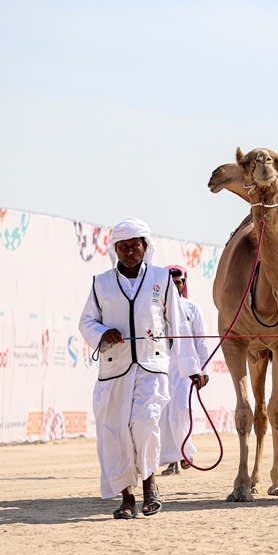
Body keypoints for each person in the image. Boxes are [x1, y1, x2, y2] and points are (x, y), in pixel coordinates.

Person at [78, 218, 208, 519]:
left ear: (145, 247)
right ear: (115, 249)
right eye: (122, 247)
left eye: (134, 246)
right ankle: (127, 498)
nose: (129, 252)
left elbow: (178, 325)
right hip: (114, 371)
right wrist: (102, 333)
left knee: (147, 424)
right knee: (114, 433)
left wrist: (192, 367)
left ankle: (150, 486)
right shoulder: (101, 283)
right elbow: (86, 321)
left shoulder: (162, 280)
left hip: (152, 367)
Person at [159, 265, 211, 476]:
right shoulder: (155, 310)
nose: (174, 286)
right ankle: (173, 459)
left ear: (183, 283)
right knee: (164, 414)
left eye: (178, 282)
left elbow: (201, 341)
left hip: (186, 368)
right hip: (161, 366)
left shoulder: (192, 309)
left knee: (181, 410)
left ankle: (185, 452)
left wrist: (203, 368)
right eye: (170, 283)